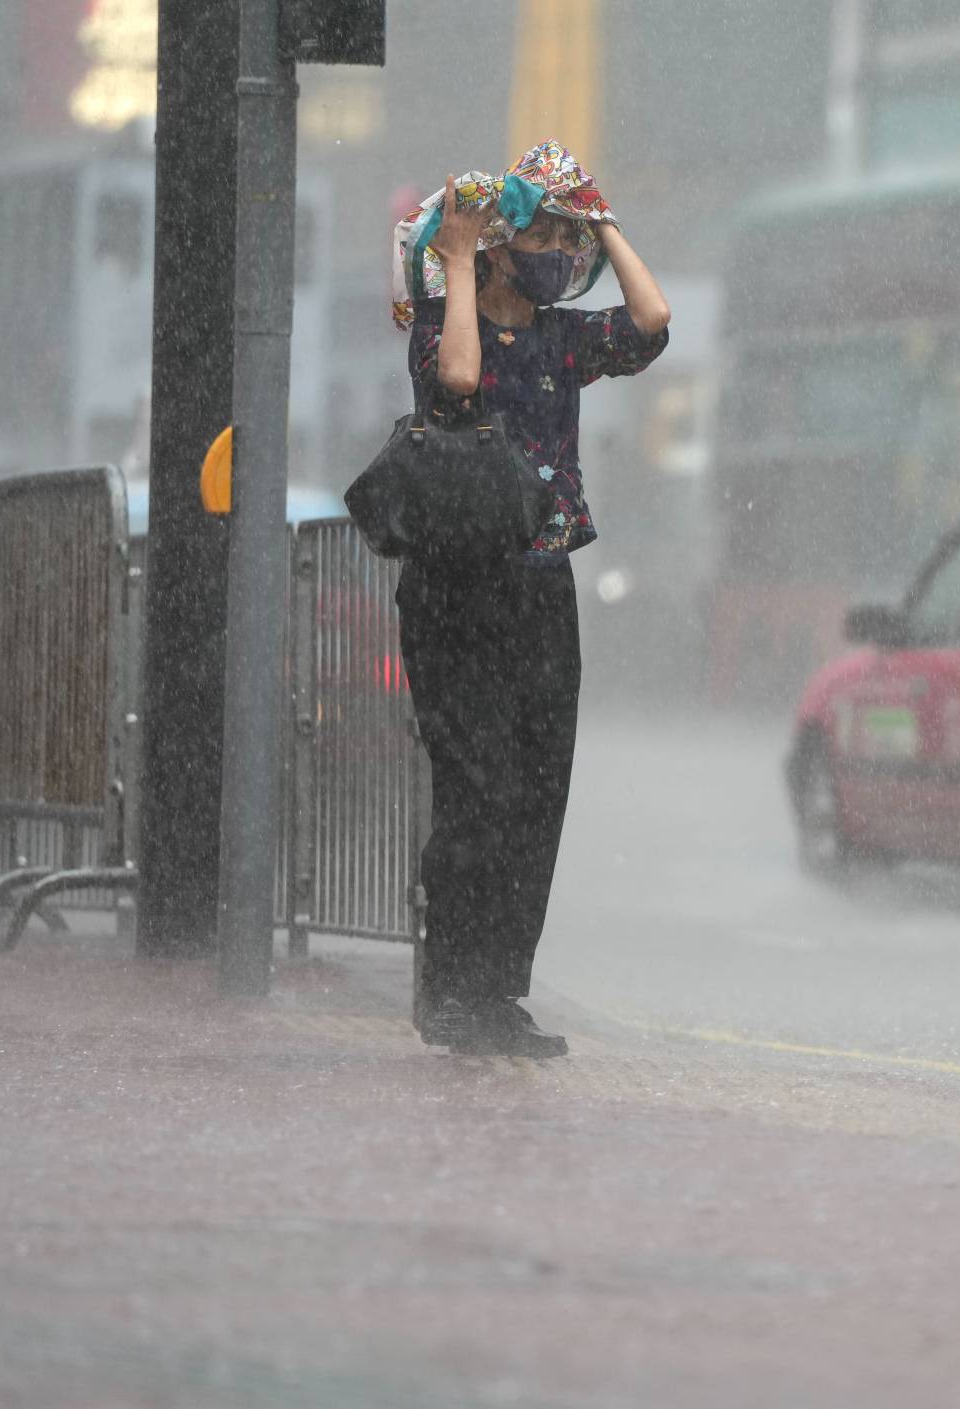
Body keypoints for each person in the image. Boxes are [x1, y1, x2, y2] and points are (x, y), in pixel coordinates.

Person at [391, 140, 670, 1056]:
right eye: (541, 236)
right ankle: (450, 991)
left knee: (536, 798)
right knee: (475, 793)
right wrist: (458, 261)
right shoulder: (444, 322)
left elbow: (652, 320)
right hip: (456, 591)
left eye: (565, 240)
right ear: (501, 246)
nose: (558, 253)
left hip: (542, 589)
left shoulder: (565, 341)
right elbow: (459, 382)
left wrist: (603, 219)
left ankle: (499, 993)